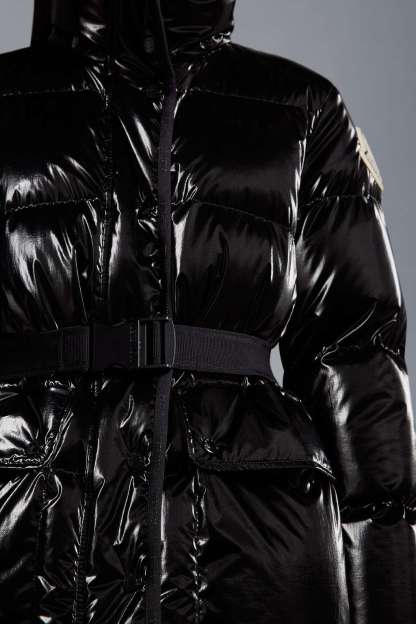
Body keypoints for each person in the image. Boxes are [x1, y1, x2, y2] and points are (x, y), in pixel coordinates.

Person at [0, 1, 414, 623]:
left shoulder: (303, 111)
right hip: (29, 525)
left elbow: (359, 365)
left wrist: (388, 601)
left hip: (249, 545)